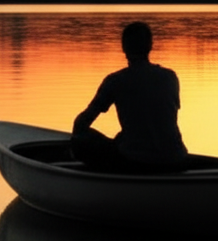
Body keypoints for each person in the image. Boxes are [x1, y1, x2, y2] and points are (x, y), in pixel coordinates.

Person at [72, 21, 188, 172]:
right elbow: (155, 119)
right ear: (150, 46)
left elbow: (82, 123)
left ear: (123, 47)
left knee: (80, 140)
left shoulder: (115, 81)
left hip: (136, 161)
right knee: (124, 140)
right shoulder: (170, 77)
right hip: (176, 157)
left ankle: (96, 177)